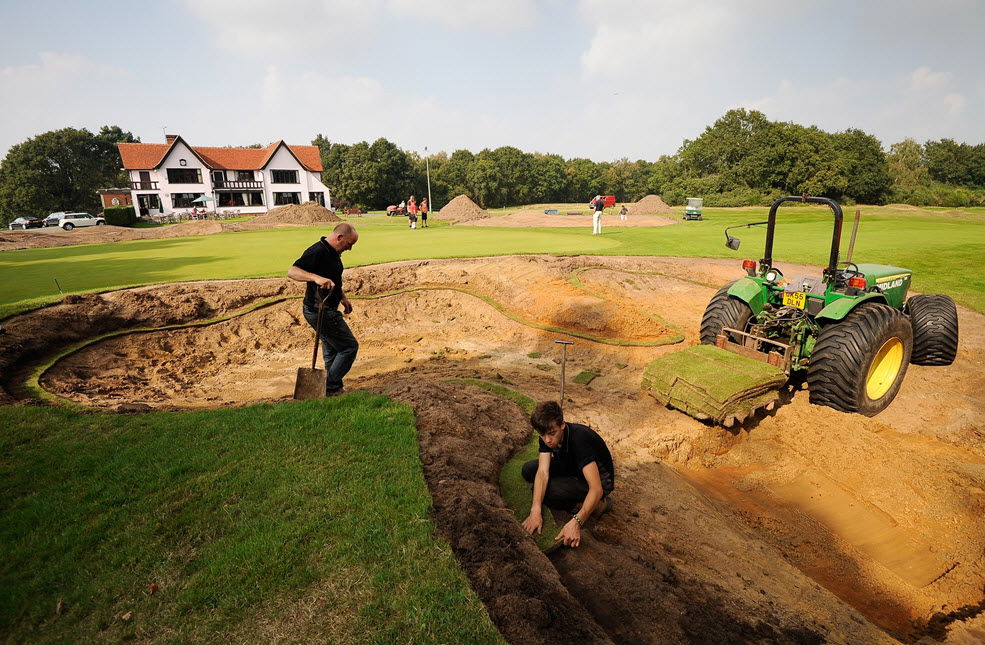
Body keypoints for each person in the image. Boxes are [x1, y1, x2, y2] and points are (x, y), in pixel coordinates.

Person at [521, 401, 614, 548]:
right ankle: (574, 491)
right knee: (528, 470)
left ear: (562, 425)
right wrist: (535, 509)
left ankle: (601, 505)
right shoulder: (547, 434)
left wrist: (576, 522)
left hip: (599, 481)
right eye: (542, 435)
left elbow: (596, 488)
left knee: (549, 491)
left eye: (552, 434)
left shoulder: (579, 440)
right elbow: (543, 471)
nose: (547, 440)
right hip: (572, 464)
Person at [287, 222, 360, 396]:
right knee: (349, 347)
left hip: (328, 306)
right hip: (318, 309)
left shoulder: (333, 253)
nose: (349, 249)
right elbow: (292, 271)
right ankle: (330, 386)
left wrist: (342, 297)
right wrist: (315, 278)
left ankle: (332, 389)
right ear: (339, 237)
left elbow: (334, 278)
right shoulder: (317, 251)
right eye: (349, 244)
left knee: (332, 348)